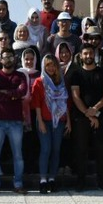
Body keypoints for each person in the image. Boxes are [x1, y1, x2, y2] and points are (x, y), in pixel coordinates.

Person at [68, 44, 103, 191]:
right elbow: (75, 96)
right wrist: (87, 112)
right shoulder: (76, 74)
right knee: (81, 150)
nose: (88, 56)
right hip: (81, 117)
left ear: (95, 54)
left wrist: (95, 110)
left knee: (100, 149)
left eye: (90, 53)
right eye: (85, 53)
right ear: (81, 56)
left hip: (100, 115)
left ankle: (102, 180)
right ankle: (81, 181)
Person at [0, 49, 28, 194]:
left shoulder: (21, 75)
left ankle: (18, 184)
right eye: (5, 57)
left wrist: (6, 93)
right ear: (0, 59)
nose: (8, 59)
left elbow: (22, 92)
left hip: (15, 121)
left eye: (10, 57)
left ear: (14, 58)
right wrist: (13, 95)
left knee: (18, 155)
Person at [31, 53, 69, 194]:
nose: (51, 68)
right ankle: (43, 180)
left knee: (56, 150)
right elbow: (37, 105)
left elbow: (65, 102)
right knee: (45, 149)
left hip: (59, 120)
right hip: (44, 120)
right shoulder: (39, 82)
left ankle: (52, 179)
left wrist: (68, 122)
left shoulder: (61, 81)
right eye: (48, 65)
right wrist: (40, 122)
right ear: (43, 66)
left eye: (53, 65)